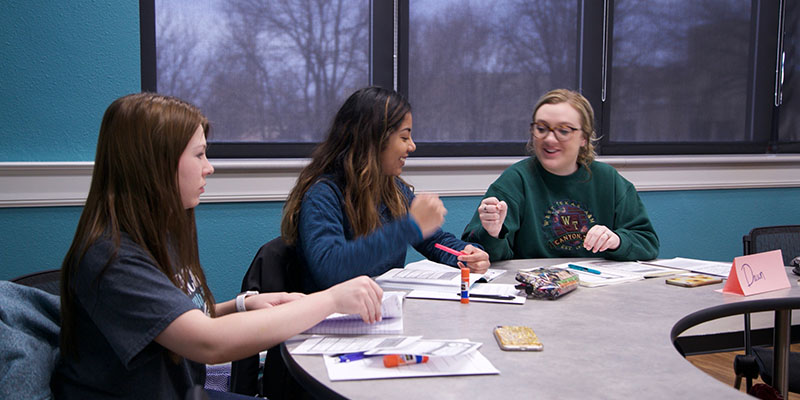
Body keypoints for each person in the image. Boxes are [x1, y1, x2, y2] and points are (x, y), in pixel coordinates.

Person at [52, 93, 384, 400]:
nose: (208, 167)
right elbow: (209, 342)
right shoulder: (113, 257)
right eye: (199, 154)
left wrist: (241, 306)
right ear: (154, 165)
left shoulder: (154, 233)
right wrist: (331, 299)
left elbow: (176, 317)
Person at [281, 86, 490, 291]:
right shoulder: (323, 195)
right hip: (333, 319)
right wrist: (408, 228)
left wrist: (466, 255)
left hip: (380, 312)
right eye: (404, 137)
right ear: (373, 139)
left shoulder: (393, 190)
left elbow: (434, 241)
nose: (412, 146)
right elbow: (331, 270)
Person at [462, 89, 659, 261]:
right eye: (541, 129)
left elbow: (647, 243)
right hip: (536, 293)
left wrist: (617, 241)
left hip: (597, 292)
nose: (549, 139)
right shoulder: (516, 180)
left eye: (563, 131)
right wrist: (493, 233)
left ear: (584, 137)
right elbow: (476, 254)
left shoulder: (609, 180)